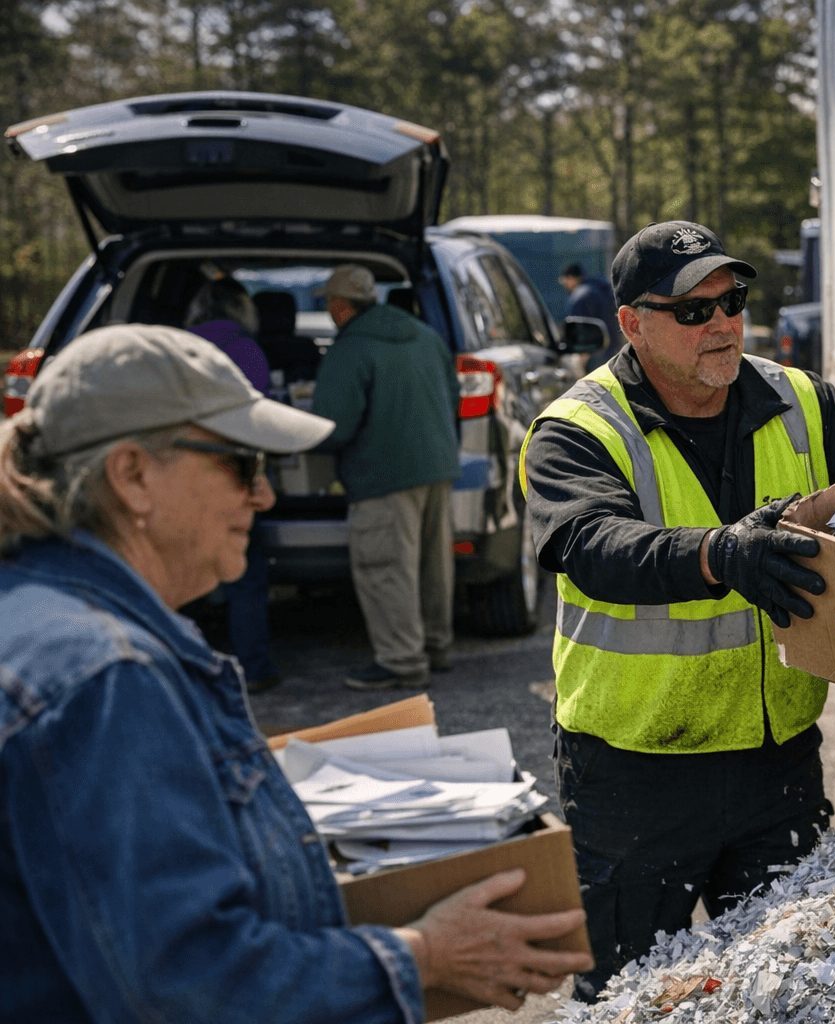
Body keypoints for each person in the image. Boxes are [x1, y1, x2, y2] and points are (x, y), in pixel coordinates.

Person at [0, 324, 593, 1022]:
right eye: (243, 465)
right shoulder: (108, 679)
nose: (265, 496)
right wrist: (424, 956)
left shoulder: (45, 620)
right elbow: (191, 989)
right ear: (131, 475)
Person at [520, 220, 835, 999]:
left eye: (732, 302)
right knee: (628, 999)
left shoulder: (794, 398)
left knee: (793, 991)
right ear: (632, 323)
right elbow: (593, 545)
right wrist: (717, 553)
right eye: (694, 312)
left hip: (776, 768)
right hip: (636, 777)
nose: (724, 324)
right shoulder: (579, 429)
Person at [310, 264, 460, 691]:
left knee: (387, 568)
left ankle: (402, 661)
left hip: (383, 475)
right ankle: (436, 646)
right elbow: (452, 395)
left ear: (339, 307)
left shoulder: (350, 348)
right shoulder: (425, 335)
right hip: (437, 466)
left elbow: (332, 425)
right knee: (434, 565)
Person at [184, 274, 282, 691]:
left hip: (181, 475)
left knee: (181, 576)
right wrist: (258, 476)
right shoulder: (246, 350)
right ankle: (254, 670)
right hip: (233, 473)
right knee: (245, 577)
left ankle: (182, 670)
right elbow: (257, 420)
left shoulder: (176, 348)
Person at [558, 261, 623, 368]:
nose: (565, 286)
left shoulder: (580, 296)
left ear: (571, 278)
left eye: (564, 282)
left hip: (594, 354)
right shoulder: (604, 289)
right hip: (614, 349)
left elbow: (577, 330)